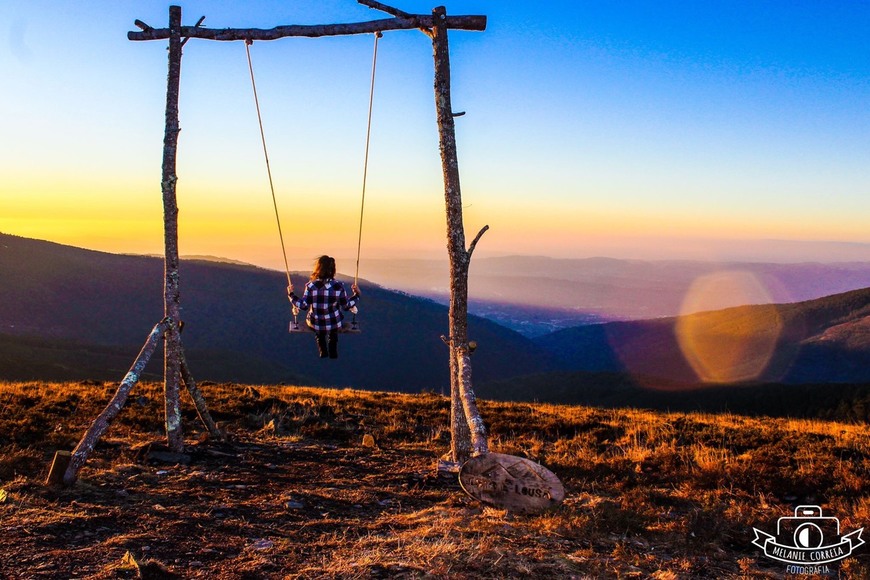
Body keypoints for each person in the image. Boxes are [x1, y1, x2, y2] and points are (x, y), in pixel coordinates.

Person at [287, 255, 360, 359]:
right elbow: (346, 306)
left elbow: (303, 306)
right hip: (335, 323)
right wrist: (357, 295)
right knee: (333, 329)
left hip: (316, 323)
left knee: (319, 331)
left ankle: (322, 350)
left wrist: (291, 295)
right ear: (333, 269)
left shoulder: (310, 286)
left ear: (318, 268)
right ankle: (332, 348)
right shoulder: (338, 286)